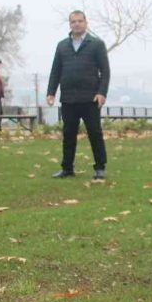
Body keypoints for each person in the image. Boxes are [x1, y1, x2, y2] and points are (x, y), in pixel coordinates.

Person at [46, 10, 110, 180]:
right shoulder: (62, 46)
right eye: (73, 21)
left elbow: (105, 71)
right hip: (68, 98)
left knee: (95, 133)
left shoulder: (96, 44)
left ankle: (100, 168)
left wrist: (101, 93)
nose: (77, 24)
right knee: (68, 134)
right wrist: (51, 92)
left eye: (80, 21)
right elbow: (55, 71)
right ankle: (67, 168)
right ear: (70, 24)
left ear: (86, 23)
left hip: (90, 98)